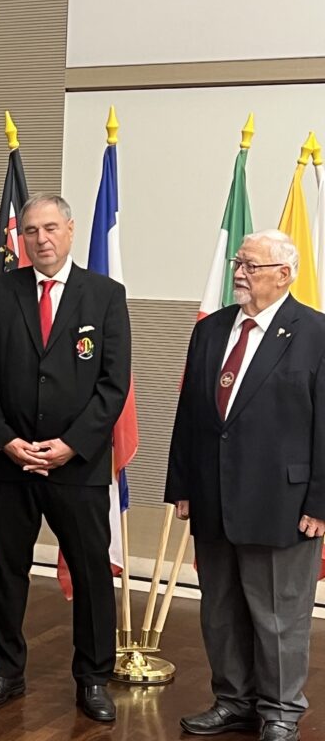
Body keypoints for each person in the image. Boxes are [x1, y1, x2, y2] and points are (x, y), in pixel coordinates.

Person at [0, 193, 131, 723]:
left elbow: (113, 385)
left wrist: (71, 445)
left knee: (90, 573)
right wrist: (6, 439)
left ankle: (93, 678)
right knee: (7, 571)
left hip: (77, 465)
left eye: (50, 228)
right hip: (10, 461)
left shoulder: (105, 295)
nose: (40, 239)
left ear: (71, 230)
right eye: (31, 231)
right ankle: (5, 672)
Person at [166, 231, 325, 741]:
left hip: (284, 502)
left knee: (278, 616)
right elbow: (191, 412)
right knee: (220, 609)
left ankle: (280, 711)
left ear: (285, 274)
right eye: (239, 262)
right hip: (213, 495)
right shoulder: (211, 330)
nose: (239, 272)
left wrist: (321, 501)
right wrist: (182, 483)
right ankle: (233, 701)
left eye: (251, 265)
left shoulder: (315, 333)